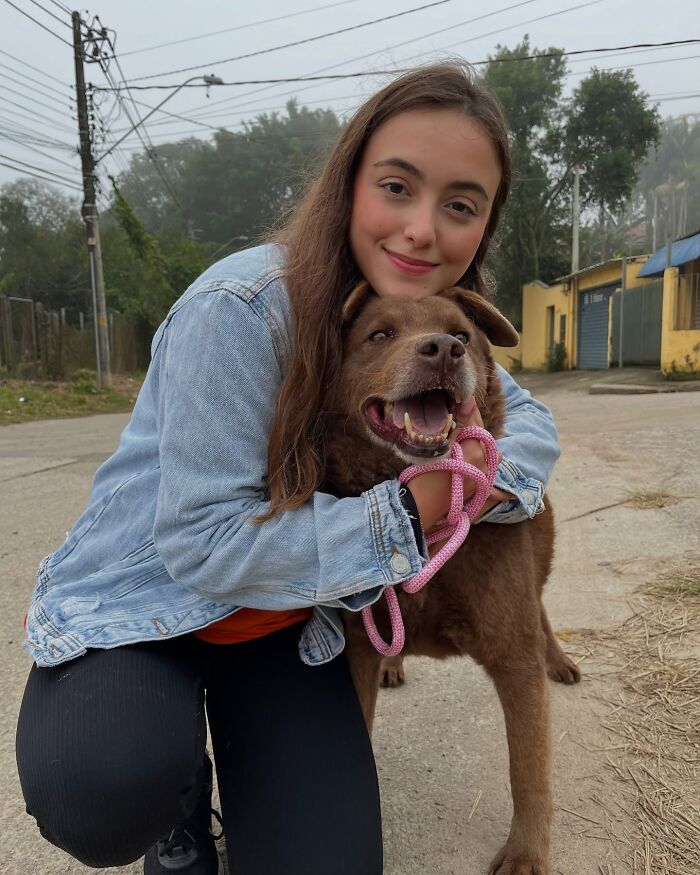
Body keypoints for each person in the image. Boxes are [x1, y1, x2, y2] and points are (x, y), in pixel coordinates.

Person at [16, 62, 560, 875]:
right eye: (397, 187)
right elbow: (203, 546)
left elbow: (534, 426)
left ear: (483, 227)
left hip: (291, 626)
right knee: (100, 785)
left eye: (460, 205)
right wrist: (413, 514)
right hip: (154, 607)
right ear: (348, 184)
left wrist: (473, 487)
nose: (421, 229)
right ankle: (177, 800)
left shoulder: (424, 320)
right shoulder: (238, 308)